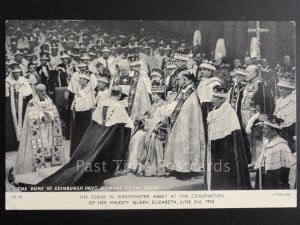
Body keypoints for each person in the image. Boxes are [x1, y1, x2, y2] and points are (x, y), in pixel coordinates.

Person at [37, 86, 133, 188]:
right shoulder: (119, 108)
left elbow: (96, 121)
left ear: (110, 93)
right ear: (119, 95)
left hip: (99, 136)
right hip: (110, 141)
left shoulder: (102, 104)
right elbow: (127, 124)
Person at [205, 85, 251, 190]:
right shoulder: (213, 113)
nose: (212, 99)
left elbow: (235, 137)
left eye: (215, 97)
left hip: (226, 148)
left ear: (222, 99)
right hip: (215, 147)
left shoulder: (229, 112)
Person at [15, 84, 65, 175]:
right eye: (41, 91)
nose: (43, 93)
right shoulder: (32, 102)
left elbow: (55, 113)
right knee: (39, 147)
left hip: (49, 128)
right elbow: (30, 116)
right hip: (39, 129)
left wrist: (51, 115)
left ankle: (50, 166)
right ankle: (37, 167)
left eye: (44, 91)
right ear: (37, 92)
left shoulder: (50, 101)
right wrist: (41, 116)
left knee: (50, 146)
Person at [164, 70, 206, 180]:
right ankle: (177, 168)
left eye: (178, 79)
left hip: (187, 126)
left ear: (185, 79)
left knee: (185, 142)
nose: (177, 81)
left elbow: (189, 112)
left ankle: (185, 171)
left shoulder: (191, 93)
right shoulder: (183, 91)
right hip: (179, 124)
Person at [255, 115, 293, 189]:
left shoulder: (282, 145)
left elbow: (285, 171)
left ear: (274, 131)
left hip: (274, 180)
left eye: (265, 129)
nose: (263, 130)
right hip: (265, 177)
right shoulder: (266, 142)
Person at [5, 67, 33, 151]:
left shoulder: (23, 81)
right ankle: (12, 144)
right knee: (10, 123)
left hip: (22, 106)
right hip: (11, 105)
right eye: (15, 72)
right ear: (12, 73)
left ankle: (23, 143)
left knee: (23, 121)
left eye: (18, 72)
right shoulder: (7, 82)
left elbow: (29, 95)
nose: (16, 74)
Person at [69, 70, 96, 157]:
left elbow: (90, 104)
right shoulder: (79, 88)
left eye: (81, 79)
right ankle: (75, 153)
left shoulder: (89, 91)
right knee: (76, 134)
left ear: (86, 80)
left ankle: (83, 153)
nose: (79, 80)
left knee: (83, 133)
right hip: (77, 114)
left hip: (85, 115)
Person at [196, 60, 221, 143]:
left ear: (210, 71)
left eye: (204, 69)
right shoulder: (203, 81)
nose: (202, 71)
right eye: (201, 69)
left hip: (209, 106)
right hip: (201, 105)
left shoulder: (215, 82)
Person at [273, 70, 296, 152]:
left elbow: (293, 120)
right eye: (279, 88)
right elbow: (276, 114)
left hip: (290, 129)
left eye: (282, 88)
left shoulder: (294, 100)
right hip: (280, 128)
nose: (279, 90)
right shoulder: (279, 100)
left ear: (289, 89)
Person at [127, 54, 152, 124]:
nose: (132, 69)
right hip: (134, 96)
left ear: (138, 66)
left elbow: (148, 88)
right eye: (131, 67)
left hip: (142, 96)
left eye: (134, 67)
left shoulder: (143, 74)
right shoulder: (131, 74)